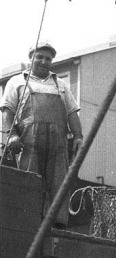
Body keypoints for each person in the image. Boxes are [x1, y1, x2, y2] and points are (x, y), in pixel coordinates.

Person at [1, 42, 83, 228]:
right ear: (31, 58)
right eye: (39, 57)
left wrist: (78, 136)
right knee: (28, 182)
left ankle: (56, 228)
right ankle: (27, 225)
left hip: (58, 144)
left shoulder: (60, 84)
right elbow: (7, 111)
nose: (44, 62)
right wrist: (11, 135)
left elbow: (72, 113)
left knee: (59, 183)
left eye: (48, 58)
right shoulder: (17, 81)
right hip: (29, 143)